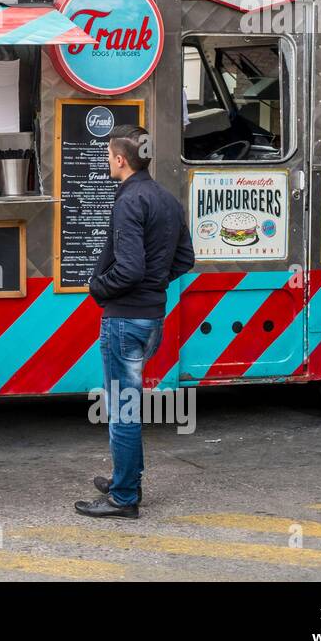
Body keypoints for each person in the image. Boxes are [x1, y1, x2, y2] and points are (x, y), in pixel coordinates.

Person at [75, 123, 194, 519]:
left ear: (121, 159)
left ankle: (124, 497)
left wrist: (98, 288)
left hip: (125, 320)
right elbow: (184, 260)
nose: (107, 161)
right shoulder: (166, 199)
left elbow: (128, 268)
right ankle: (126, 479)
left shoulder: (129, 201)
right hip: (152, 319)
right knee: (129, 406)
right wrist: (155, 285)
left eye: (109, 155)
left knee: (123, 410)